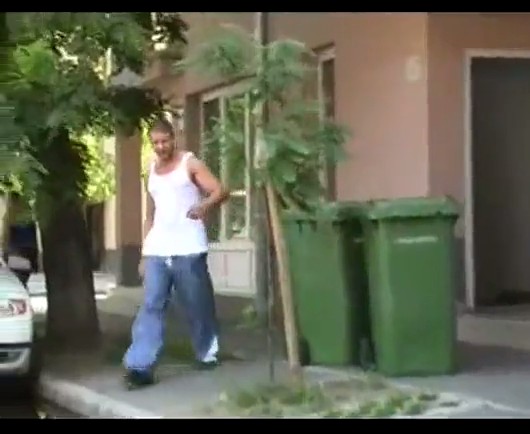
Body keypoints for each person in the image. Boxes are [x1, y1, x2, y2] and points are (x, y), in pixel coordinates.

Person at [123, 117, 229, 389]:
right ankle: (140, 366)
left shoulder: (189, 164)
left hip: (189, 248)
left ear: (174, 138)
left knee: (196, 304)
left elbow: (219, 190)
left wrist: (204, 206)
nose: (160, 147)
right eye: (155, 143)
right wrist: (145, 253)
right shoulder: (150, 170)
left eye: (165, 141)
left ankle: (206, 352)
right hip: (158, 249)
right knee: (152, 305)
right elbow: (150, 214)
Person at [1, 192, 39, 288]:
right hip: (29, 250)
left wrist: (5, 251)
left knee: (17, 279)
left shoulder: (11, 215)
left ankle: (22, 290)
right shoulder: (29, 215)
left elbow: (6, 235)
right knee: (23, 277)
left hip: (16, 250)